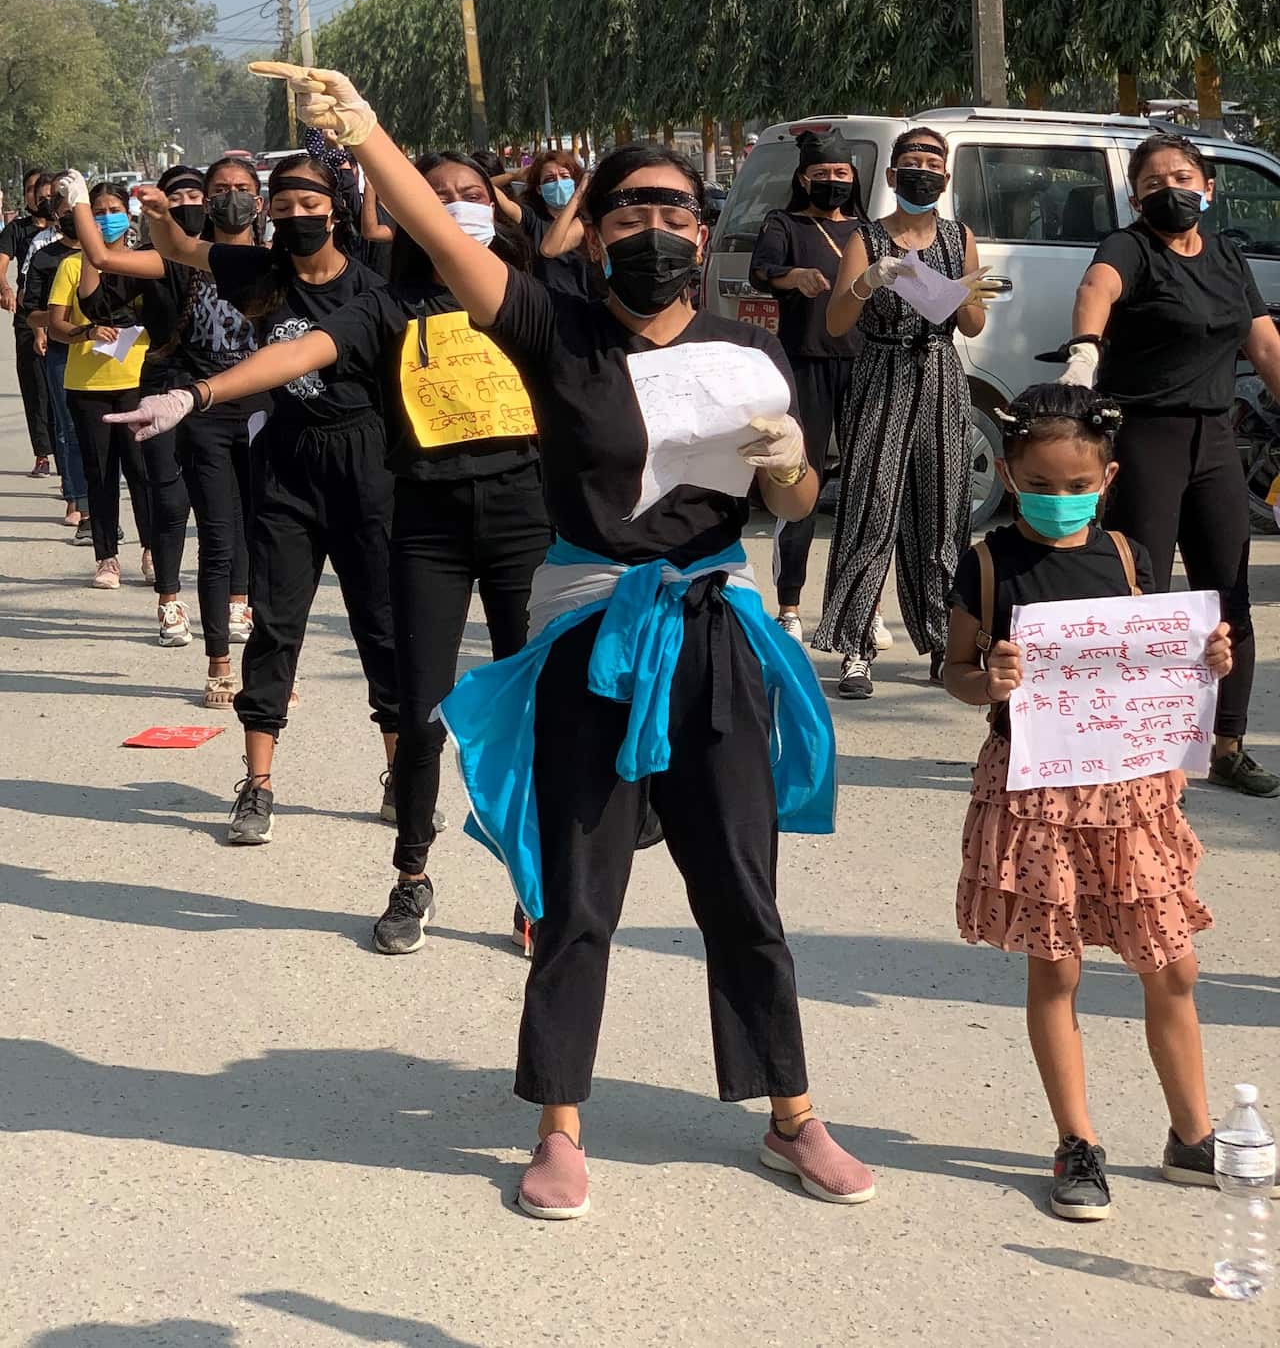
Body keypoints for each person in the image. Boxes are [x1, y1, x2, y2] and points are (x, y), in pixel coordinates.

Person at [255, 60, 875, 1220]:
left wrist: (791, 464)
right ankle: (557, 1124)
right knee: (579, 894)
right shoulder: (555, 328)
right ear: (591, 233)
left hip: (713, 631)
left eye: (672, 210)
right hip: (592, 636)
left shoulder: (747, 350)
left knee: (740, 889)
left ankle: (790, 1115)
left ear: (702, 230)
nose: (653, 229)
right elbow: (441, 238)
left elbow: (789, 503)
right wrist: (367, 135)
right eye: (626, 211)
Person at [116, 151, 551, 952]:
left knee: (531, 708)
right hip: (416, 517)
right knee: (419, 708)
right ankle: (410, 876)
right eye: (437, 196)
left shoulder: (533, 299)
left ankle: (537, 886)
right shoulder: (389, 303)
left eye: (472, 195)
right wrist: (198, 392)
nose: (456, 207)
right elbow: (301, 351)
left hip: (518, 521)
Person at [943, 383, 1235, 1221]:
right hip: (1037, 795)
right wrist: (987, 679)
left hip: (1131, 788)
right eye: (1041, 482)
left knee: (1172, 963)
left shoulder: (1131, 556)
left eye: (1077, 484)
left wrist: (1207, 659)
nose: (1059, 497)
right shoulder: (989, 563)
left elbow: (1164, 659)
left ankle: (1193, 1135)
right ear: (1007, 473)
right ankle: (1076, 1141)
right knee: (1057, 965)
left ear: (1106, 477)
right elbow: (956, 669)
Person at [119, 152, 396, 844]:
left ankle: (403, 778)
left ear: (335, 210)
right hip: (287, 461)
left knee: (382, 627)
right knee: (274, 623)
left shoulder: (371, 287)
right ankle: (258, 784)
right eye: (286, 205)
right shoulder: (261, 272)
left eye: (311, 205)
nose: (298, 217)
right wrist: (159, 216)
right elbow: (182, 249)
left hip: (364, 463)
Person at [1067, 133, 1280, 797]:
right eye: (1154, 182)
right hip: (1143, 438)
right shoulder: (1129, 246)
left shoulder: (1226, 255)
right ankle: (1135, 748)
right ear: (1136, 197)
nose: (1170, 190)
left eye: (1182, 177)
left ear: (1208, 188)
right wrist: (1084, 350)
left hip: (1215, 440)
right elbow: (1097, 287)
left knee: (1228, 594)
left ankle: (1228, 745)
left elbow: (1265, 344)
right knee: (1141, 595)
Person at [67, 161, 261, 699]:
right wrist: (85, 210)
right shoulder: (170, 261)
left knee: (252, 522)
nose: (203, 203)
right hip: (177, 397)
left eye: (235, 190)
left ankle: (247, 620)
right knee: (178, 507)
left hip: (252, 405)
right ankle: (178, 609)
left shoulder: (271, 262)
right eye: (190, 196)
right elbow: (100, 281)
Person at [815, 128, 998, 699]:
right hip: (882, 372)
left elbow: (972, 326)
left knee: (942, 512)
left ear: (945, 177)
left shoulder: (959, 236)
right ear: (893, 176)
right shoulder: (866, 238)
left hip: (940, 371)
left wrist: (965, 294)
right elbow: (836, 323)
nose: (923, 172)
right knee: (871, 508)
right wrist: (869, 282)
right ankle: (856, 646)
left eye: (932, 164)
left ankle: (944, 641)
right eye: (912, 163)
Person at [749, 132, 868, 641]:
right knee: (801, 481)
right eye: (822, 174)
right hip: (804, 364)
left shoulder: (866, 231)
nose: (833, 181)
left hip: (863, 364)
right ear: (803, 178)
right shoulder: (785, 224)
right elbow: (761, 272)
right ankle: (790, 605)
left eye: (841, 173)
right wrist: (793, 277)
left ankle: (859, 605)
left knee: (866, 487)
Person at [46, 181, 153, 590]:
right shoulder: (72, 266)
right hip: (87, 386)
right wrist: (86, 332)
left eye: (114, 210)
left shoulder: (143, 263)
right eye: (98, 212)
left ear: (128, 213)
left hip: (137, 382)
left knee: (143, 472)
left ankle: (152, 550)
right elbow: (55, 325)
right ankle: (107, 557)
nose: (107, 218)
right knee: (100, 473)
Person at [23, 187, 90, 534]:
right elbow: (30, 312)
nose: (72, 216)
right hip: (63, 352)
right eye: (65, 210)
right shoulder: (45, 258)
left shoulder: (107, 255)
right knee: (69, 428)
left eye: (77, 208)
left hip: (108, 354)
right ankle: (76, 497)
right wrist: (57, 321)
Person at [0, 168, 57, 478]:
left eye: (48, 194)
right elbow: (3, 266)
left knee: (63, 390)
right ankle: (42, 454)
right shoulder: (18, 231)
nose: (40, 198)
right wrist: (5, 289)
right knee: (36, 388)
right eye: (34, 191)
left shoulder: (67, 232)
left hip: (63, 318)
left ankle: (69, 459)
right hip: (29, 317)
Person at [493, 149, 594, 299]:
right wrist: (513, 176)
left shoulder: (586, 219)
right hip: (545, 305)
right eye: (550, 179)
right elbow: (482, 185)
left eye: (564, 176)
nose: (558, 183)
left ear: (575, 182)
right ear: (539, 189)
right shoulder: (532, 217)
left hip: (586, 305)